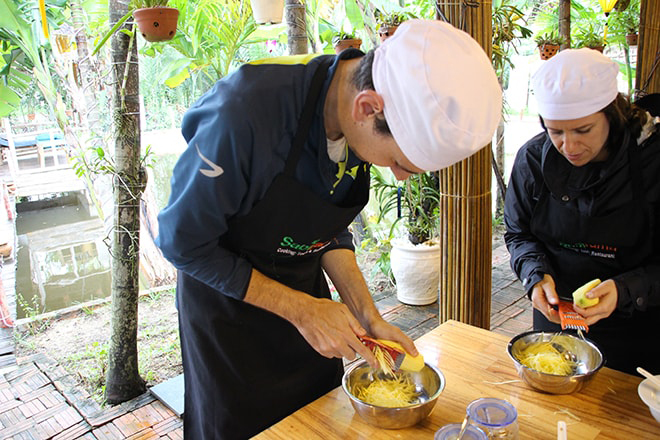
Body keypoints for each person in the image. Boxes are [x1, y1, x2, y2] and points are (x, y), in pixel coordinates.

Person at [157, 19, 501, 439]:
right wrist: (301, 310)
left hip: (310, 303)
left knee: (319, 421)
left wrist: (367, 315)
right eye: (399, 162)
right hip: (230, 318)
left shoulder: (353, 121)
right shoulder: (244, 115)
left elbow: (326, 228)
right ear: (367, 107)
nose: (399, 177)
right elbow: (181, 242)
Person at [504, 48, 660, 375]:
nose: (569, 147)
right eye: (556, 131)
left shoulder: (653, 162)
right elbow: (519, 234)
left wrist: (623, 290)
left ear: (611, 114)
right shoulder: (533, 160)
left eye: (583, 130)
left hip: (639, 326)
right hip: (557, 317)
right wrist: (535, 277)